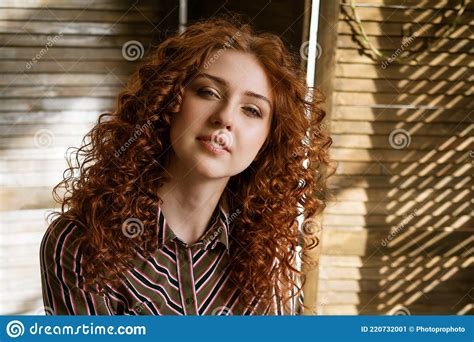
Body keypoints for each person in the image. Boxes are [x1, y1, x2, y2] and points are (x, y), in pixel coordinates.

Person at [40, 17, 332, 315]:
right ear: (168, 102)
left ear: (267, 142)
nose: (226, 117)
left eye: (252, 110)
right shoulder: (80, 244)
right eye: (208, 92)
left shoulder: (267, 254)